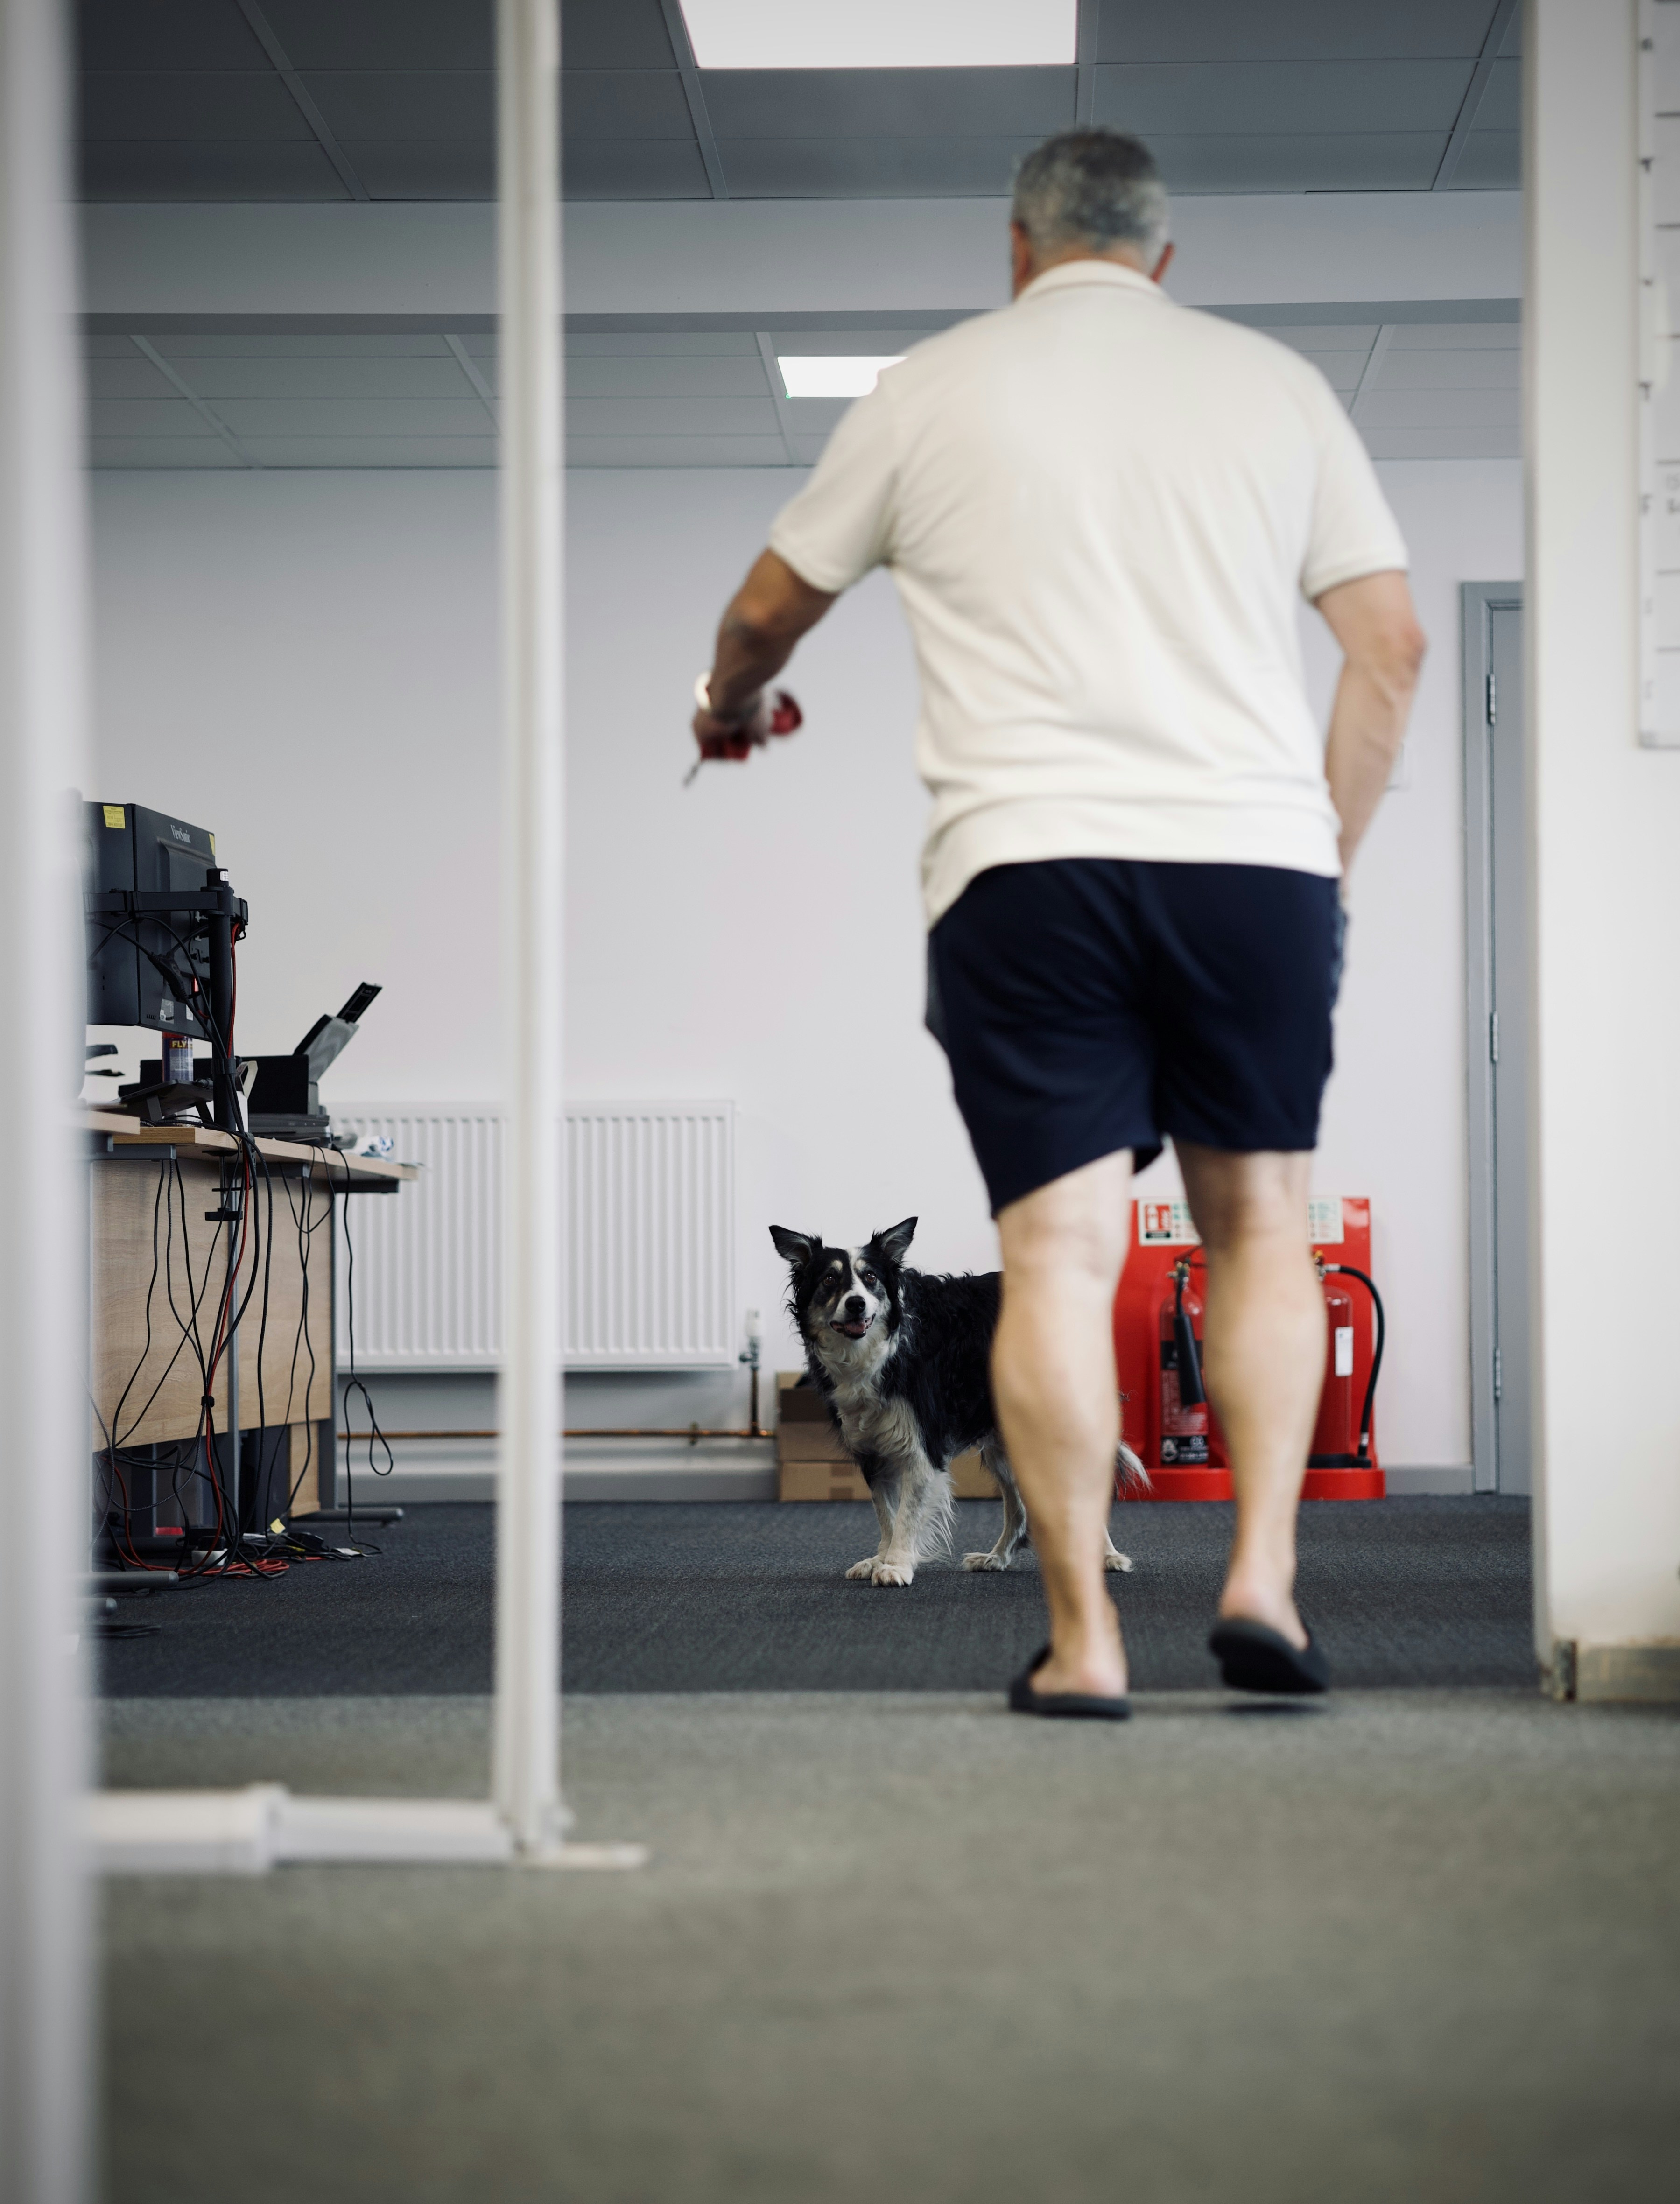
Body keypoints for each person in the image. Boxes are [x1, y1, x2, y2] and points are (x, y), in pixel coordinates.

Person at [690, 129, 1424, 1713]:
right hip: (1253, 873)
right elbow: (1395, 647)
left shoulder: (932, 387)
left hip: (1029, 875)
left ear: (1016, 251)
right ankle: (1263, 1587)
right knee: (1259, 1235)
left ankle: (1086, 1639)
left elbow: (762, 614)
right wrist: (1323, 866)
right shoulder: (1276, 386)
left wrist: (730, 707)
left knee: (1058, 1253)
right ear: (1163, 259)